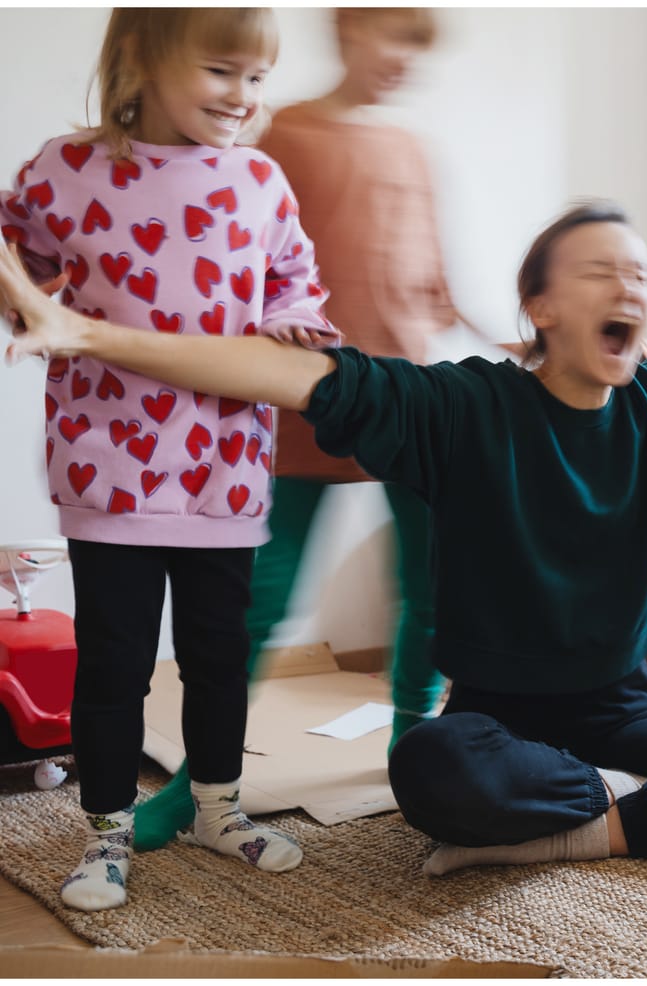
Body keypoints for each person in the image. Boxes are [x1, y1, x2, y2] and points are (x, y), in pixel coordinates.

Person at [0, 201, 647, 877]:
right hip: (497, 718)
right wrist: (84, 330)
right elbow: (287, 374)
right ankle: (612, 799)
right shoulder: (465, 408)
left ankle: (583, 824)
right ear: (542, 307)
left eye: (642, 274)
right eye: (603, 270)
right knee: (429, 767)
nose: (631, 287)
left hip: (628, 712)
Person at [0, 8, 339, 910]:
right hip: (107, 471)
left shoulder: (261, 181)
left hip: (226, 470)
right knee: (111, 664)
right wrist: (28, 308)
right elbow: (17, 260)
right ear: (145, 59)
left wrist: (289, 319)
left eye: (257, 78)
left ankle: (216, 809)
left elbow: (293, 279)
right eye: (223, 72)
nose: (245, 97)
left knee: (217, 655)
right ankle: (106, 830)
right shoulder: (64, 171)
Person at [132, 6, 458, 853]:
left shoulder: (415, 149)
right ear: (349, 33)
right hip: (307, 406)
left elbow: (431, 280)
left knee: (429, 591)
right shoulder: (290, 137)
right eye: (390, 36)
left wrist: (500, 336)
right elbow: (248, 261)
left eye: (416, 48)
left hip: (412, 403)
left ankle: (410, 741)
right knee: (257, 601)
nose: (400, 61)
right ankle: (201, 778)